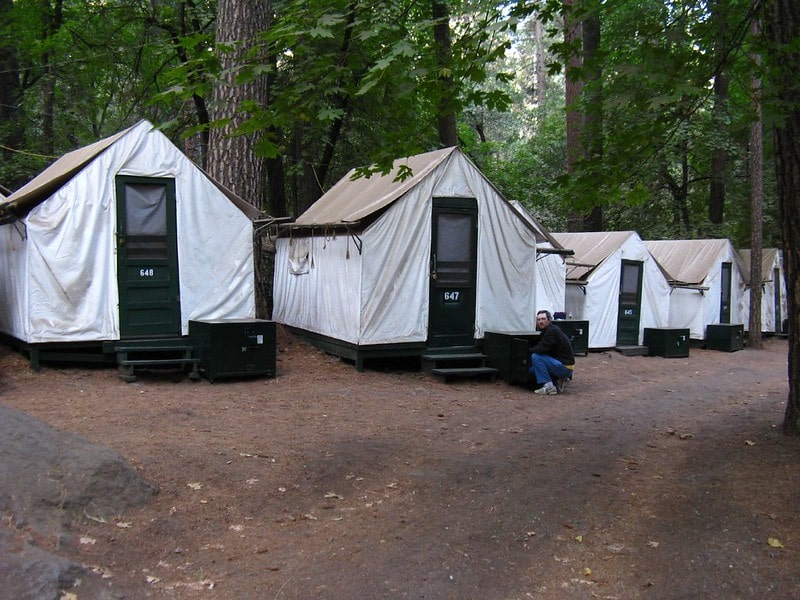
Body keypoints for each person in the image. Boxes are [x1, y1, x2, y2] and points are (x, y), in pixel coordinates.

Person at [529, 310, 575, 395]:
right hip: (563, 365)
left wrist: (527, 351)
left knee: (535, 357)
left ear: (549, 320)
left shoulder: (551, 331)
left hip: (565, 367)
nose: (540, 322)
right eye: (538, 320)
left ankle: (549, 386)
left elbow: (541, 349)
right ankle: (559, 380)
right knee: (532, 370)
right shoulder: (548, 330)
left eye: (543, 319)